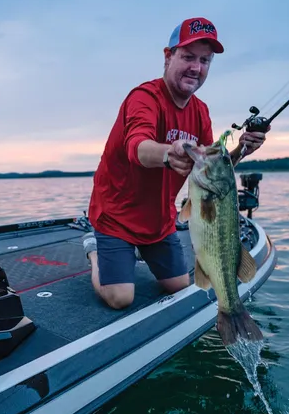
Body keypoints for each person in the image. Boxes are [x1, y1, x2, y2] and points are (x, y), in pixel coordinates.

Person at [83, 16, 268, 310]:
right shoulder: (144, 98)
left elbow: (210, 166)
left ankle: (137, 252)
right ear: (168, 57)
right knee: (120, 298)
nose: (196, 67)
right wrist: (170, 153)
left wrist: (239, 151)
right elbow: (138, 148)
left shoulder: (200, 112)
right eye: (188, 57)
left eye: (205, 60)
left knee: (179, 286)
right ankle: (95, 250)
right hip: (116, 217)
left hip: (159, 220)